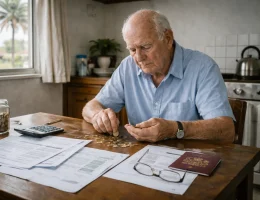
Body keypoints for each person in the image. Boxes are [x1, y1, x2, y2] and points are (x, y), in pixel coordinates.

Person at [82, 9, 235, 143]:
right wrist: (98, 115)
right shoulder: (127, 66)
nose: (139, 57)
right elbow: (90, 107)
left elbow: (226, 130)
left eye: (145, 47)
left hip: (189, 161)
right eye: (132, 50)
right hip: (138, 159)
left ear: (168, 39)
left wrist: (176, 129)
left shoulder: (203, 67)